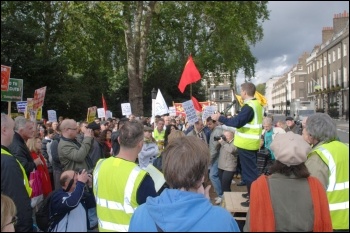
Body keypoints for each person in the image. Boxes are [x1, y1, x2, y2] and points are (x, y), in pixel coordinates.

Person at [129, 136, 240, 232]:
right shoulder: (223, 220)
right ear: (202, 177)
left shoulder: (140, 214)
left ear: (166, 172)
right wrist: (205, 208)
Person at [244, 132, 332, 232]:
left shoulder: (260, 186)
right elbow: (324, 222)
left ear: (277, 156)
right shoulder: (316, 186)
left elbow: (251, 226)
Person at [93, 120, 157, 232]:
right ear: (140, 145)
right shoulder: (141, 177)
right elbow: (154, 215)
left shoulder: (100, 165)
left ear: (118, 140)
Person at [211, 82, 263, 207]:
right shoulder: (256, 104)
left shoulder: (249, 106)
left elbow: (237, 122)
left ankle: (253, 199)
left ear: (244, 92)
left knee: (249, 174)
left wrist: (220, 118)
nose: (240, 94)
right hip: (250, 144)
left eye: (241, 91)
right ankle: (251, 194)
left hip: (247, 145)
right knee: (248, 172)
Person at [303, 113, 349, 231]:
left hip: (331, 221)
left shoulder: (318, 156)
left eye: (304, 128)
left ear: (311, 134)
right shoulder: (345, 147)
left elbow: (311, 194)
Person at [1, 113, 33, 232]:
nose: (14, 133)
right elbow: (17, 202)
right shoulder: (7, 161)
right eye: (12, 129)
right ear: (4, 130)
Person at [206, 116, 224, 204]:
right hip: (216, 157)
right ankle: (220, 194)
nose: (208, 126)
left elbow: (214, 148)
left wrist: (210, 159)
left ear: (214, 123)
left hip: (216, 157)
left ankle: (221, 195)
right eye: (207, 124)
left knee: (213, 175)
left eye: (210, 124)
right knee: (214, 176)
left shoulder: (217, 132)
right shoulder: (215, 131)